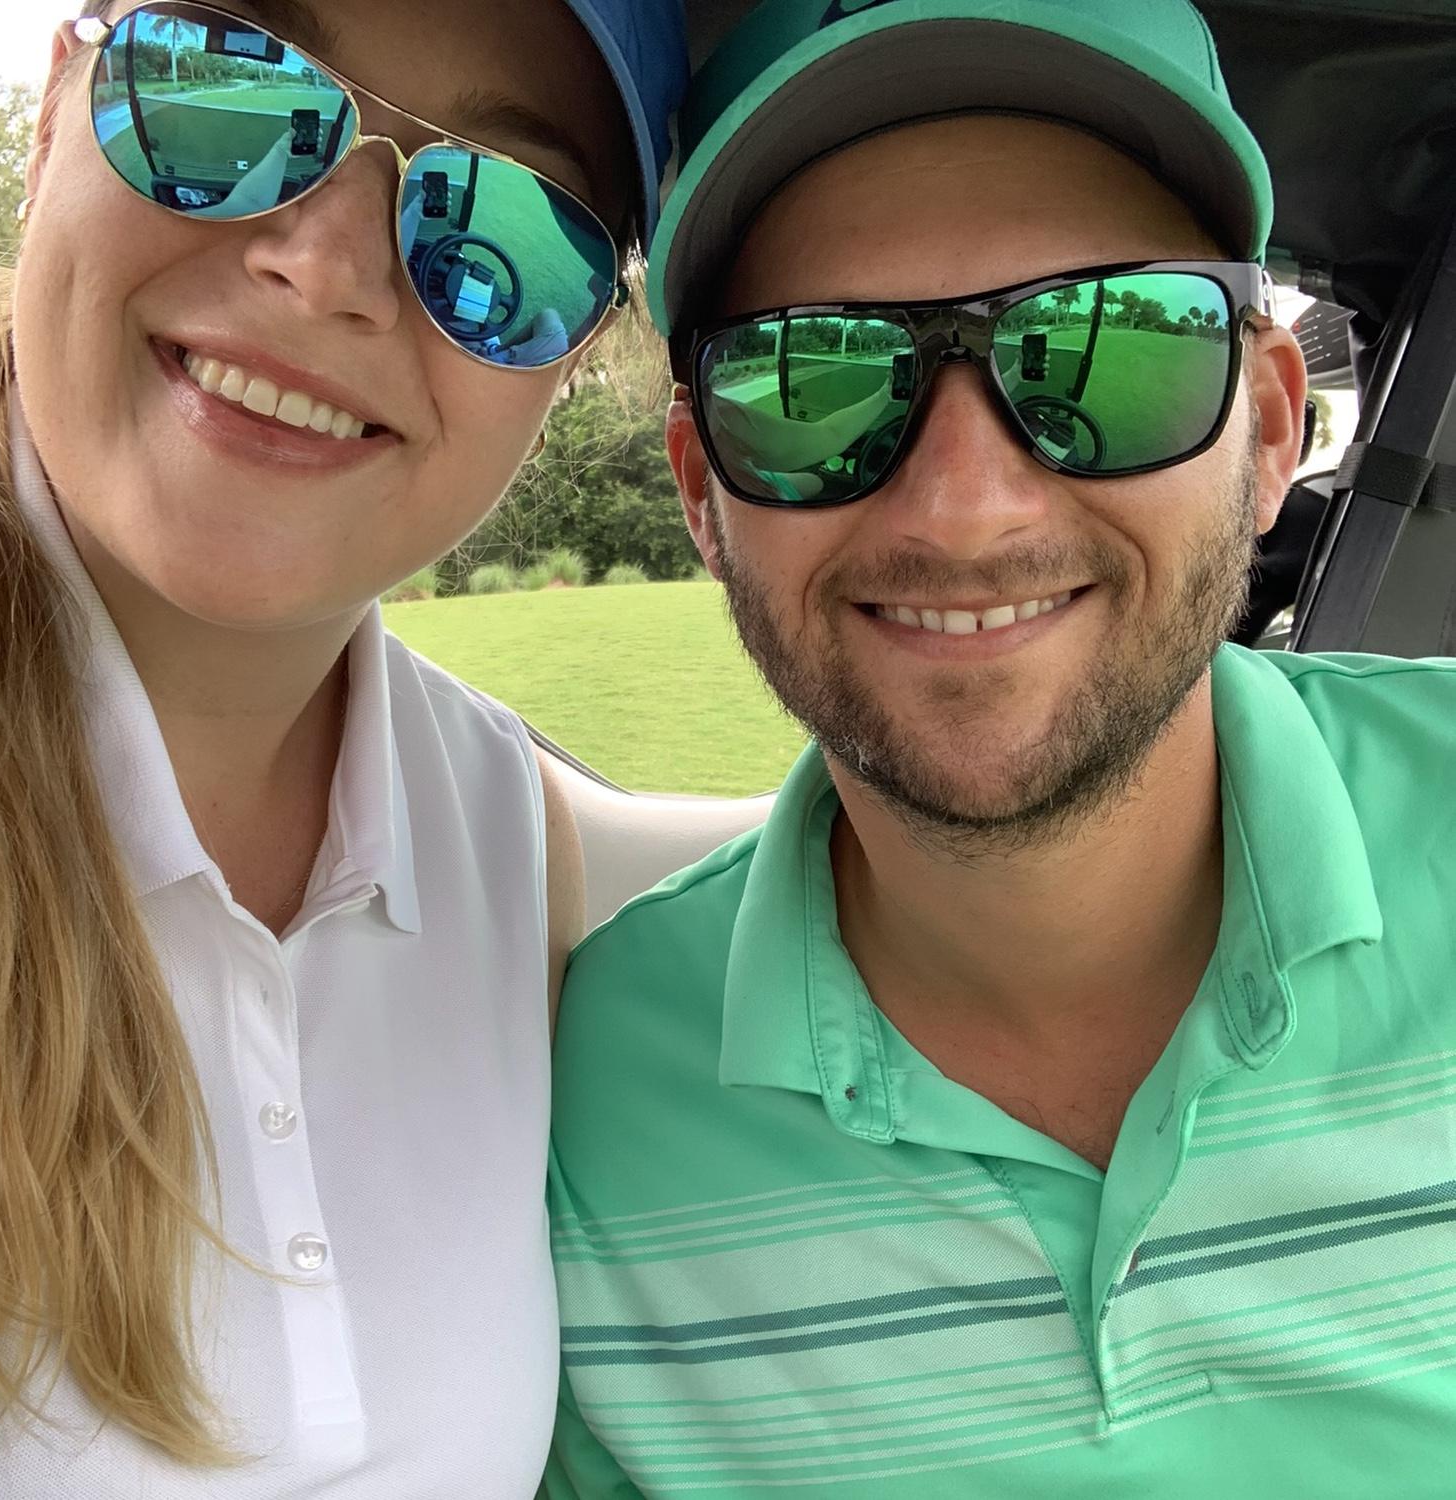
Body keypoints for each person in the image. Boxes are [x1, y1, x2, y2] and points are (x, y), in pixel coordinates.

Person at [545, 1, 1456, 1495]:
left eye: (1105, 354)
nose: (966, 513)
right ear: (706, 496)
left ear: (1274, 424)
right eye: (812, 380)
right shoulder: (587, 1107)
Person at [0, 0, 684, 1493]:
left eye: (504, 219)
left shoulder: (490, 822)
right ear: (51, 123)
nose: (327, 265)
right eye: (224, 88)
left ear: (569, 363)